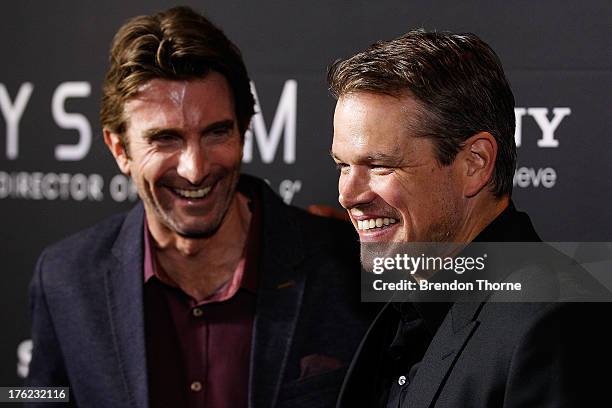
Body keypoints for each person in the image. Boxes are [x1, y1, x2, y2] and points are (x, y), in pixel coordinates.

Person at [26, 7, 373, 408]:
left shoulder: (349, 263)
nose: (195, 170)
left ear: (244, 130)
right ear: (119, 149)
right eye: (165, 139)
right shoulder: (65, 276)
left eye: (216, 133)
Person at [327, 29, 611, 407]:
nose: (348, 194)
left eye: (379, 165)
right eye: (343, 165)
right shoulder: (398, 310)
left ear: (474, 164)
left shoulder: (557, 324)